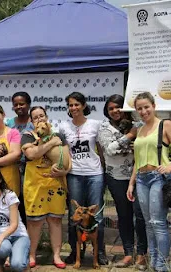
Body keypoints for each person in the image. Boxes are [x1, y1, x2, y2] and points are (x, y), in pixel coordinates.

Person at [98, 94, 147, 269]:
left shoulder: (139, 123)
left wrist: (128, 139)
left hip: (139, 176)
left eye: (118, 107)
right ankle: (128, 254)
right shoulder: (104, 127)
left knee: (140, 217)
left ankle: (141, 254)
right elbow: (110, 150)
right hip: (116, 178)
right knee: (124, 216)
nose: (115, 111)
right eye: (111, 108)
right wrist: (130, 136)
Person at [58, 91, 108, 265]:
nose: (74, 108)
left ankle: (99, 252)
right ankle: (75, 251)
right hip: (74, 175)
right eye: (70, 105)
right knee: (74, 215)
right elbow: (62, 151)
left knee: (97, 216)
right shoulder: (63, 127)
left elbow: (101, 149)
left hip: (94, 174)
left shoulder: (95, 124)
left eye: (77, 104)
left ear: (84, 105)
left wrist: (104, 169)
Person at [126, 92, 171, 272]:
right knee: (147, 223)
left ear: (154, 106)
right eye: (139, 109)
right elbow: (138, 160)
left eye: (146, 107)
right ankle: (153, 261)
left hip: (158, 177)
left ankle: (161, 265)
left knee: (158, 222)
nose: (143, 111)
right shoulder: (140, 129)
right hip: (142, 180)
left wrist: (170, 167)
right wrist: (131, 183)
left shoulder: (165, 125)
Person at [21, 106, 70, 269]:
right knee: (34, 222)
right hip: (35, 184)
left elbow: (67, 160)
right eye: (35, 118)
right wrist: (51, 144)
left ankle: (56, 255)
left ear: (47, 117)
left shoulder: (59, 135)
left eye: (42, 116)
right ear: (31, 121)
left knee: (55, 221)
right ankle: (31, 254)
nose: (39, 119)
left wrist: (64, 171)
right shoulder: (27, 136)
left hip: (55, 184)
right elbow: (32, 154)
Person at [5, 91, 34, 226]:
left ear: (28, 105)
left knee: (28, 199)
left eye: (22, 104)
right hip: (11, 167)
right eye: (15, 104)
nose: (18, 107)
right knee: (15, 200)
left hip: (31, 168)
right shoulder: (8, 123)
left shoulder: (35, 123)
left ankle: (29, 234)